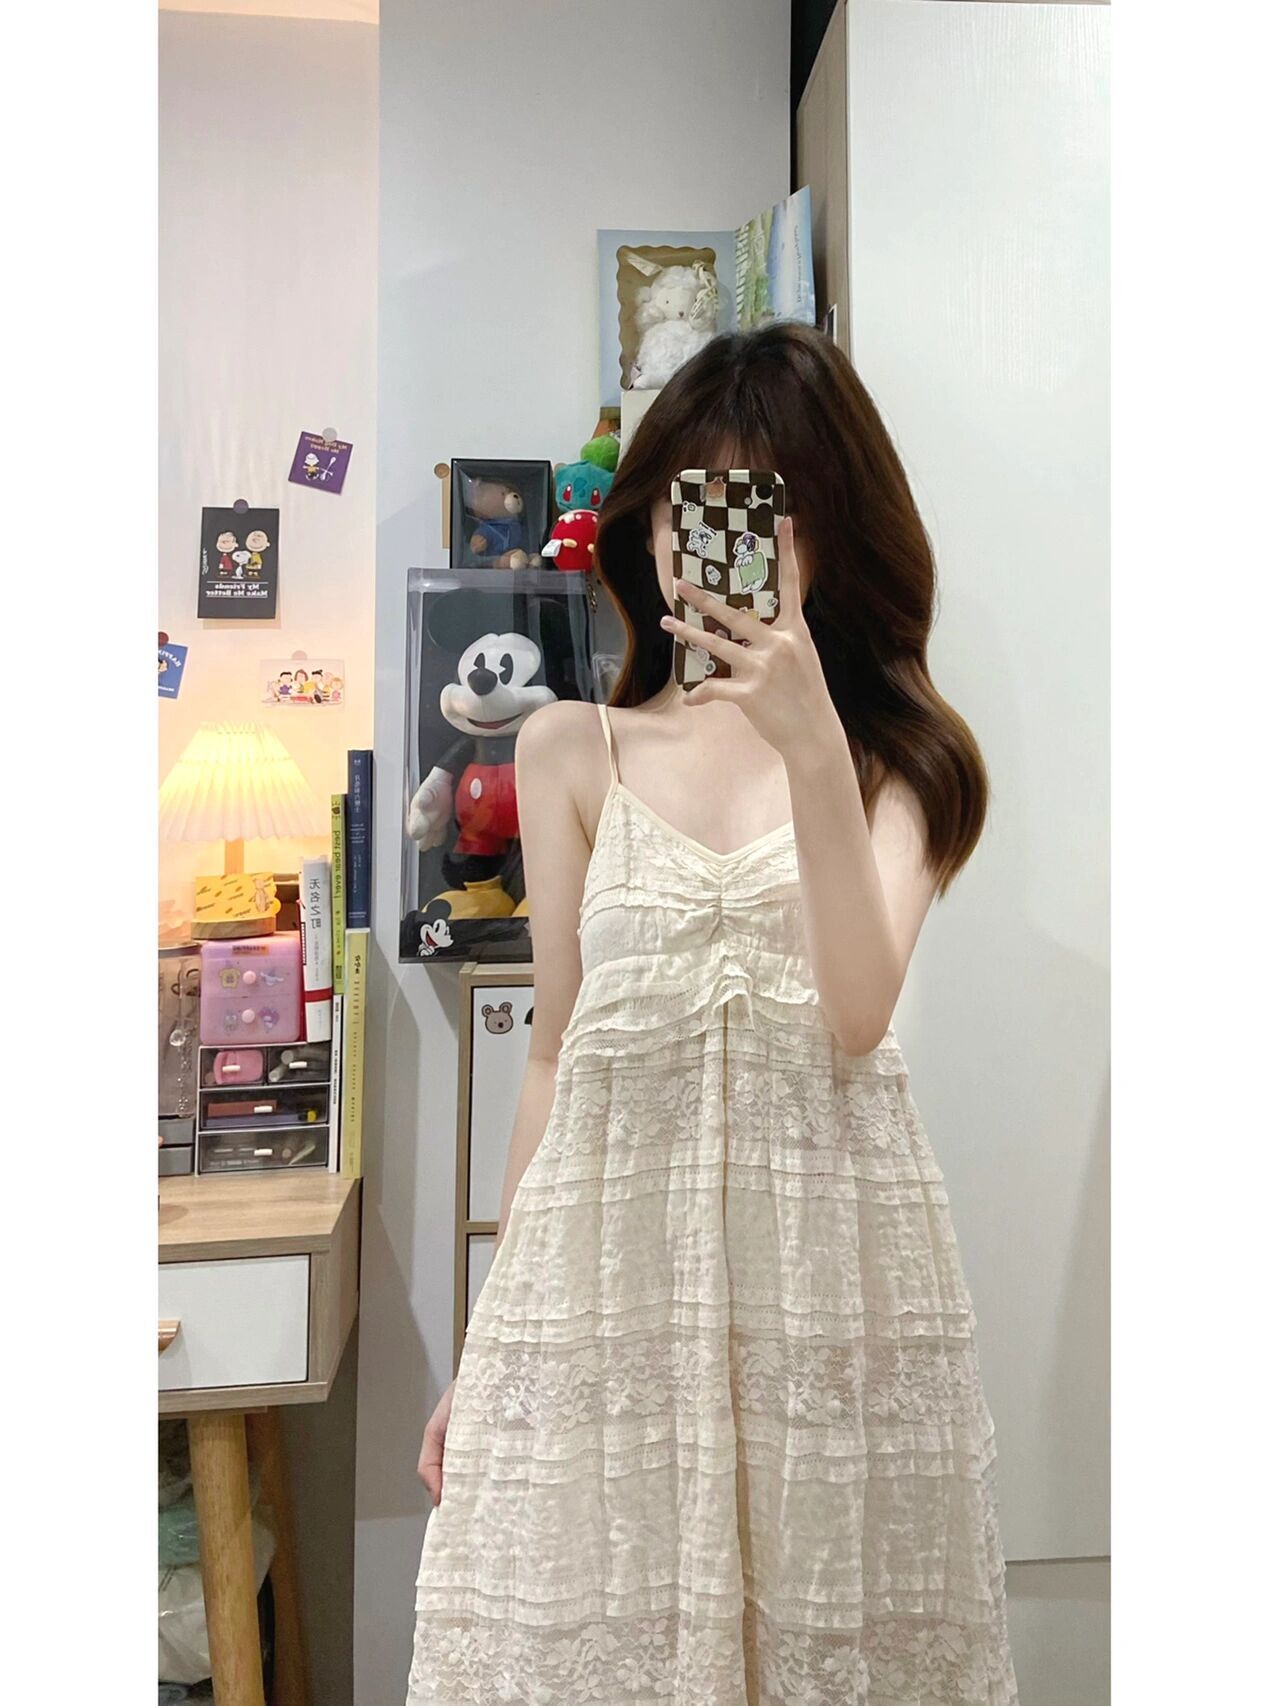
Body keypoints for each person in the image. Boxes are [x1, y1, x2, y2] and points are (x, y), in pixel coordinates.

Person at [405, 322, 1019, 1706]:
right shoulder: (572, 748)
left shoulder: (904, 767)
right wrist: (493, 1347)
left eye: (759, 505)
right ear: (648, 526)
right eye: (690, 499)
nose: (713, 540)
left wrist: (811, 750)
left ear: (830, 534)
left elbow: (854, 1013)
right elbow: (554, 1056)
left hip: (827, 1300)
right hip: (616, 1289)